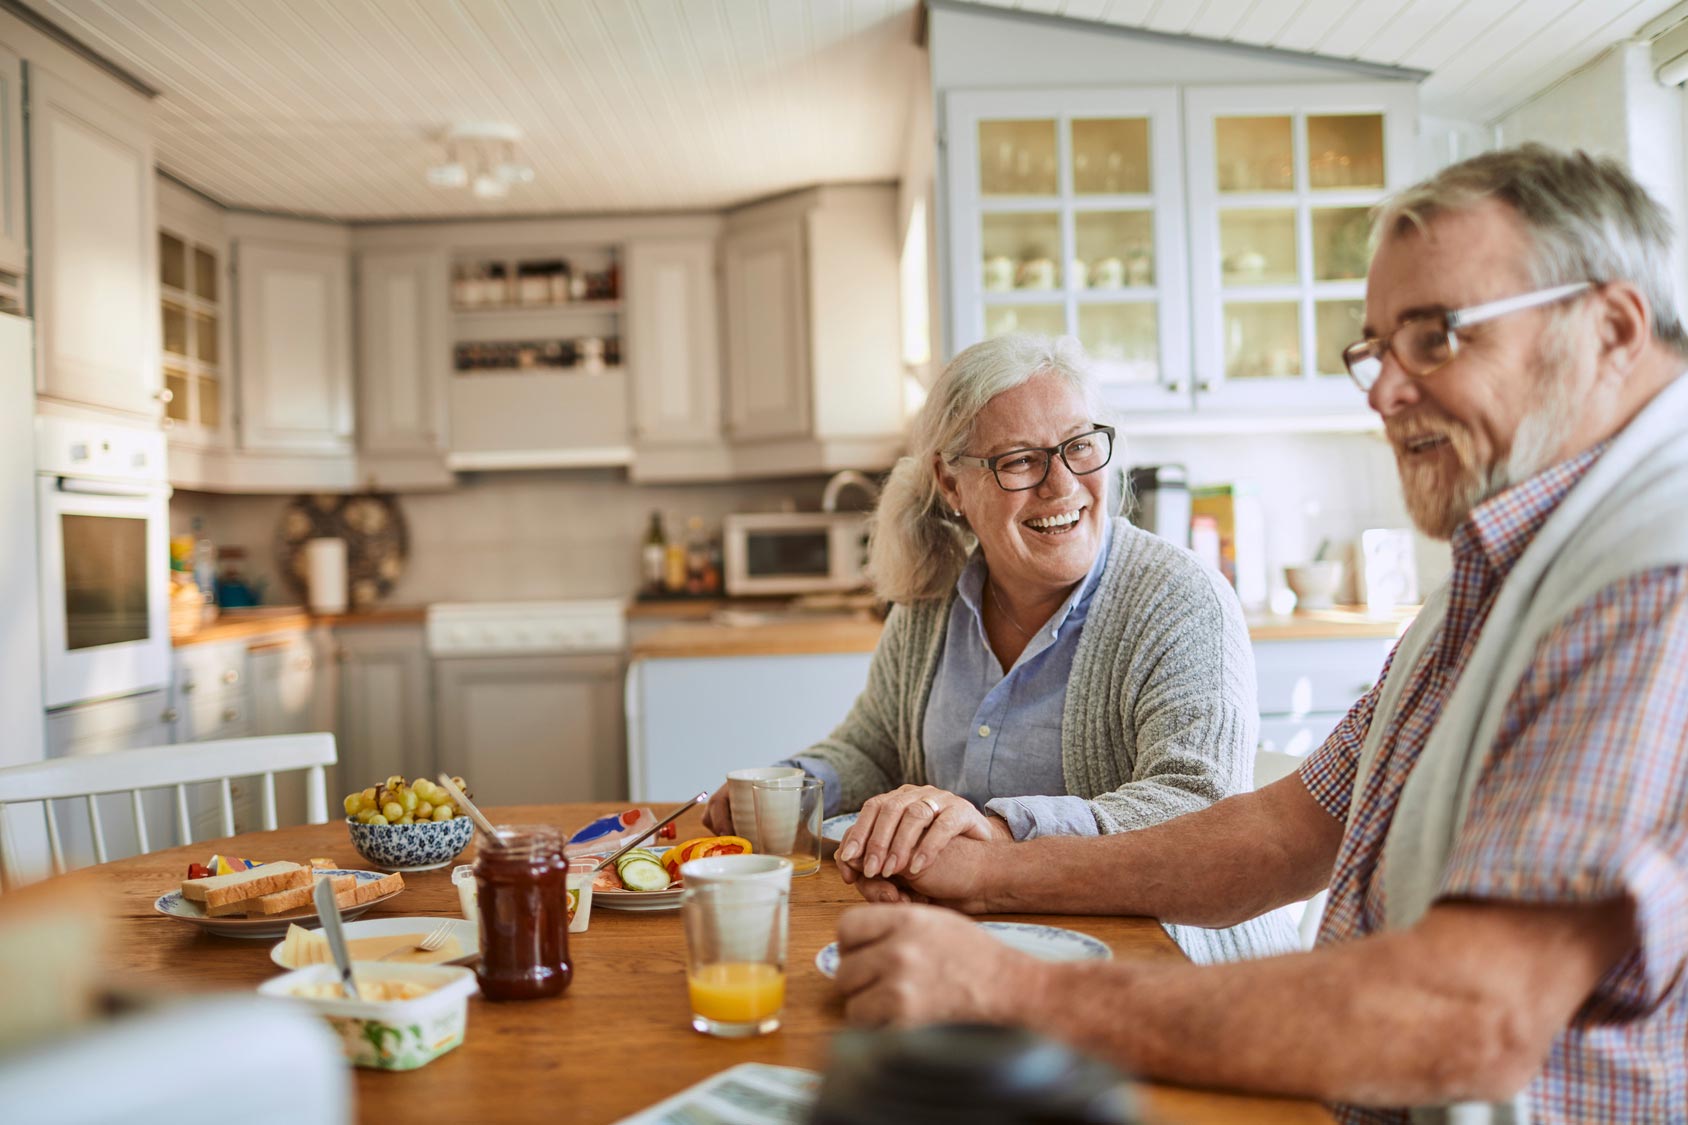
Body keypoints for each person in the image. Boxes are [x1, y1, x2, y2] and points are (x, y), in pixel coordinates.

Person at [833, 144, 1688, 1123]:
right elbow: (1287, 830)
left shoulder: (1652, 578)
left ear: (1612, 328)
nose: (1383, 391)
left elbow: (1466, 1017)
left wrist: (1010, 991)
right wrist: (985, 874)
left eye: (1435, 337)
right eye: (1374, 349)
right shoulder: (1506, 571)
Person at [703, 332, 1294, 961]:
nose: (1062, 485)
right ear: (952, 485)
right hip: (975, 949)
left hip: (1168, 959)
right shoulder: (932, 599)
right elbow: (872, 748)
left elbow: (1197, 803)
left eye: (1079, 447)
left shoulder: (1178, 596)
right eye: (1018, 460)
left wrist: (996, 832)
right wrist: (790, 788)